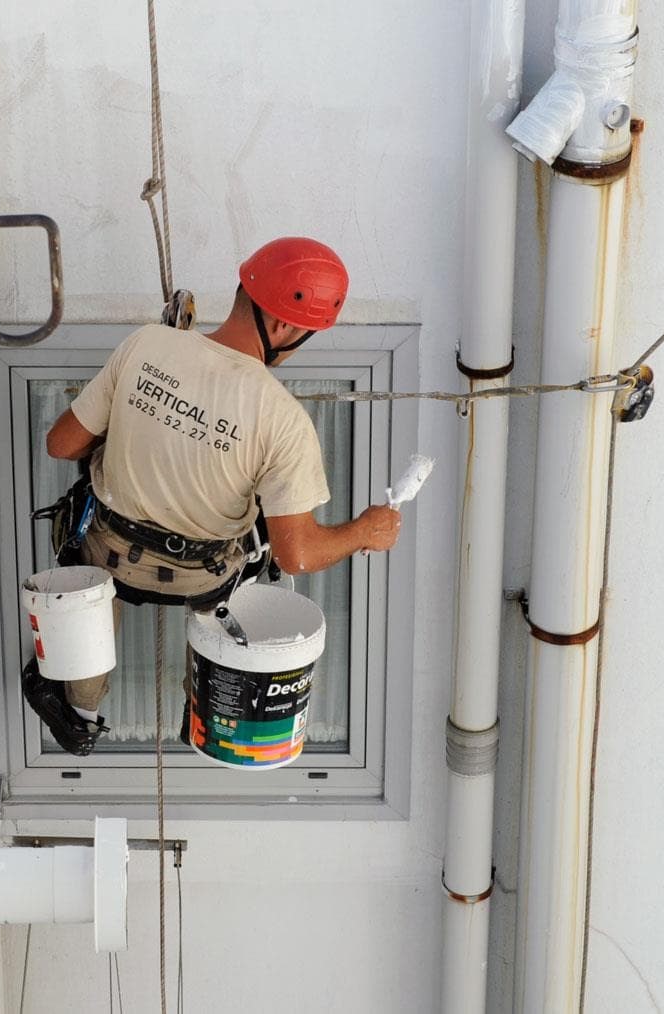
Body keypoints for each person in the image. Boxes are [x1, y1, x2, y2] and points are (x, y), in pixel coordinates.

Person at [22, 237, 401, 754]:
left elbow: (61, 443)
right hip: (200, 577)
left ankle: (79, 710)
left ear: (245, 287)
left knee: (94, 579)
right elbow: (300, 554)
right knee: (254, 554)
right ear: (286, 327)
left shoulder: (148, 346)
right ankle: (204, 710)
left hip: (106, 552)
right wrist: (365, 531)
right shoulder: (283, 421)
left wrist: (141, 425)